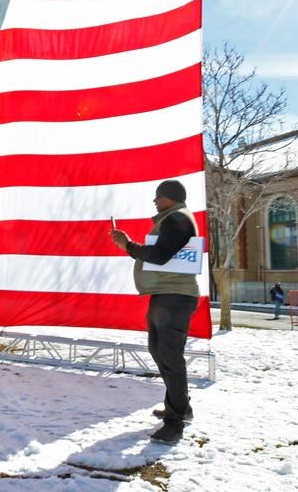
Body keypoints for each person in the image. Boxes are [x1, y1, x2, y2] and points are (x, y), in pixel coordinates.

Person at [110, 179, 198, 444]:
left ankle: (175, 421)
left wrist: (128, 245)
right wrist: (128, 247)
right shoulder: (173, 218)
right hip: (167, 294)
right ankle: (179, 406)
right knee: (159, 350)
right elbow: (158, 255)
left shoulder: (177, 219)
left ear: (170, 197)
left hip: (175, 296)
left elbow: (159, 255)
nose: (154, 201)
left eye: (158, 196)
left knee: (169, 355)